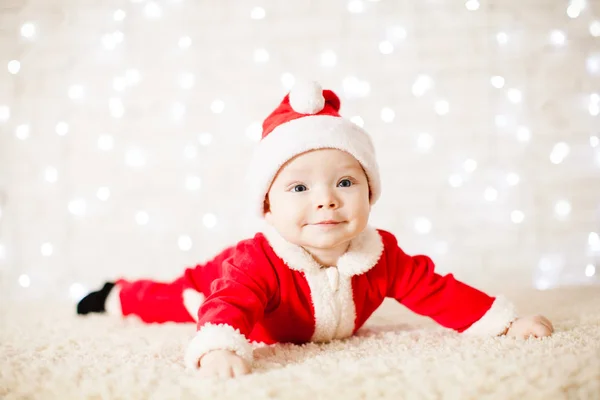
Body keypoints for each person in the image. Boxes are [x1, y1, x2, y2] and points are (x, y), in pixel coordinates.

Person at [77, 81, 554, 378]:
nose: (326, 198)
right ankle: (115, 294)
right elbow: (229, 305)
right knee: (175, 299)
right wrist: (219, 345)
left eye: (345, 182)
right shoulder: (256, 261)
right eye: (299, 187)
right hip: (220, 279)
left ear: (370, 194)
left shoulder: (381, 254)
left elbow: (437, 291)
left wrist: (504, 323)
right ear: (268, 205)